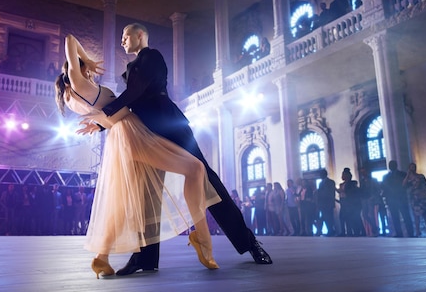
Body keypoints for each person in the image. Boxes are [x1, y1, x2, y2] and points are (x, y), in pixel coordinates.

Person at [82, 23, 272, 276]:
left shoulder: (152, 56)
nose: (122, 41)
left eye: (126, 36)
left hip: (170, 124)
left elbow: (135, 92)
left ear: (140, 35)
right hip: (147, 131)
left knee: (208, 180)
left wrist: (103, 116)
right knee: (147, 193)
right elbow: (132, 102)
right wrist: (103, 125)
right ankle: (144, 258)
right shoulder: (132, 66)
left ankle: (249, 243)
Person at [56, 34, 221, 278]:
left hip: (123, 135)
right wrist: (86, 59)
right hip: (131, 133)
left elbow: (111, 113)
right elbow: (70, 39)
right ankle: (202, 237)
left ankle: (102, 258)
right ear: (74, 70)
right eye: (84, 69)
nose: (91, 72)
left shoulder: (75, 94)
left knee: (123, 201)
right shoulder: (78, 83)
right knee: (195, 168)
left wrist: (101, 123)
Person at [403, 163, 426, 237]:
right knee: (416, 216)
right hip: (414, 199)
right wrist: (407, 175)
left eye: (414, 167)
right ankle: (417, 232)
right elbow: (404, 185)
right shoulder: (408, 179)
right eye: (411, 167)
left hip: (423, 197)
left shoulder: (421, 176)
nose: (413, 169)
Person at [382, 160, 414, 237]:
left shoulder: (403, 174)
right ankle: (399, 233)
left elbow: (408, 184)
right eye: (390, 165)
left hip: (401, 198)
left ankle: (411, 233)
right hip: (391, 199)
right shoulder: (386, 177)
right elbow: (384, 187)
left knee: (406, 216)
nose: (391, 166)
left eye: (392, 165)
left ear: (396, 165)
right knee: (395, 217)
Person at [315, 169, 336, 236]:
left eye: (321, 174)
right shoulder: (321, 183)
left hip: (328, 203)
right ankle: (329, 230)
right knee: (324, 217)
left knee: (329, 217)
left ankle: (330, 230)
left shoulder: (330, 182)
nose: (320, 175)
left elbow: (330, 193)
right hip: (322, 203)